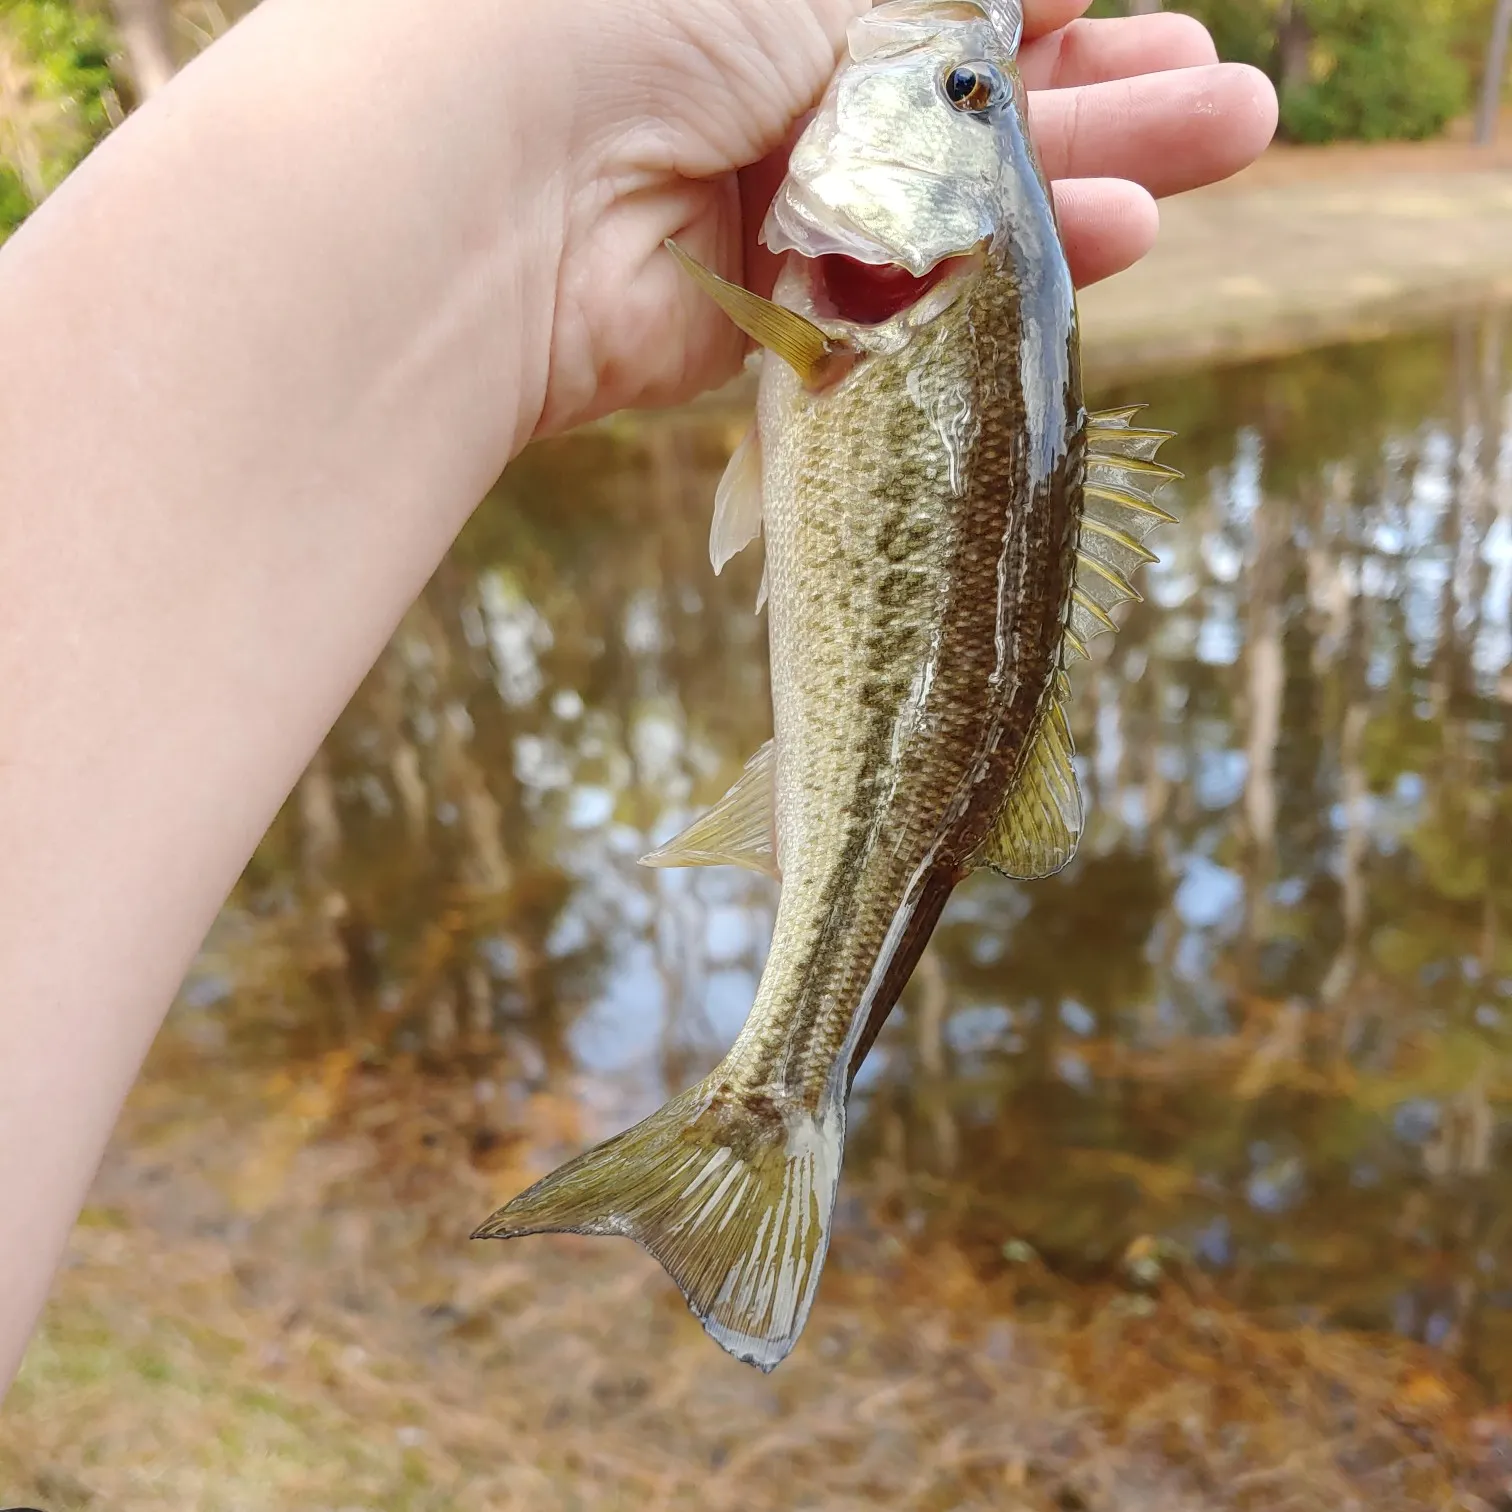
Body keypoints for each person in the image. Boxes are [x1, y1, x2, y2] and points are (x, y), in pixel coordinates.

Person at [0, 0, 1276, 1396]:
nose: (952, 78)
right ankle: (779, 1107)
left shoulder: (882, 302)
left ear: (959, 232)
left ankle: (777, 1104)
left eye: (967, 93)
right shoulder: (872, 298)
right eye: (981, 96)